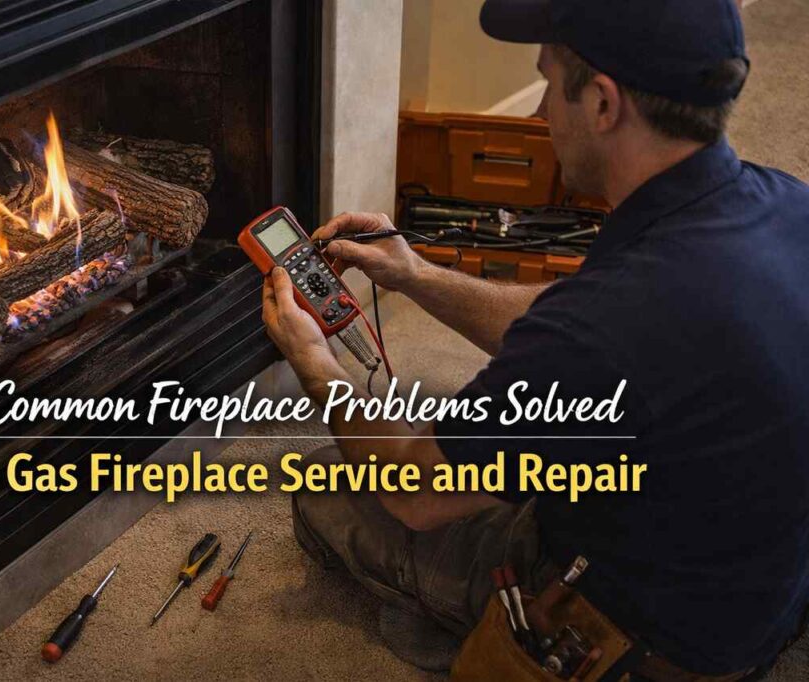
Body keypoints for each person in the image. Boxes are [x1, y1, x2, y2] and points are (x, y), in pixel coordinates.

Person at [260, 0, 809, 679]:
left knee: (323, 487)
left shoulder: (608, 328)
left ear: (604, 103)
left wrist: (316, 361)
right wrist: (414, 273)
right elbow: (562, 319)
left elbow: (417, 490)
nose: (542, 106)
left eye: (548, 82)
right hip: (756, 578)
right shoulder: (783, 203)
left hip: (656, 636)